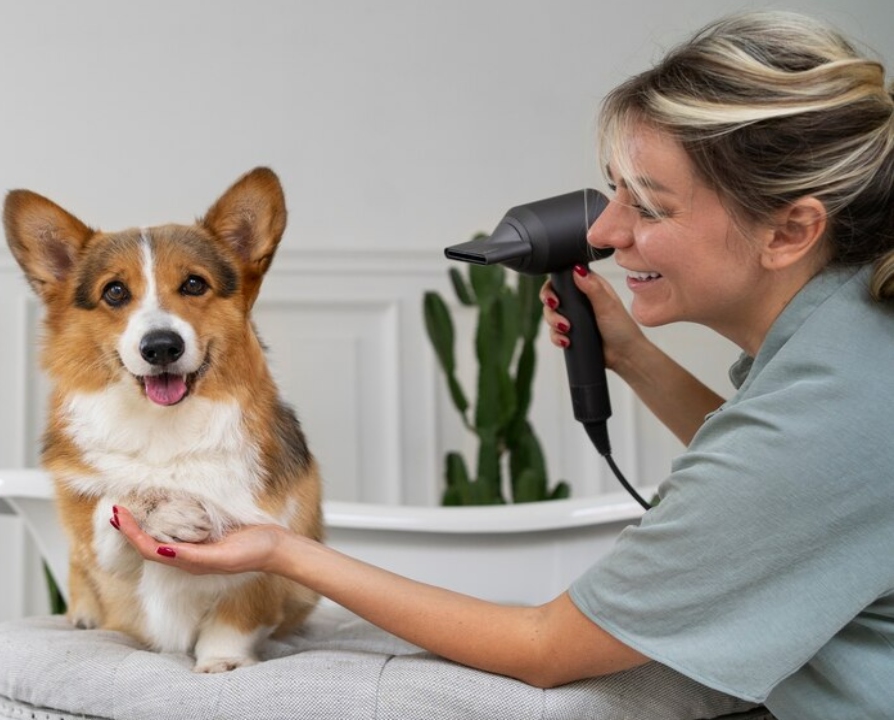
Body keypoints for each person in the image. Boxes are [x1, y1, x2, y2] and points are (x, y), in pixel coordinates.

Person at [114, 10, 894, 718]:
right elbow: (775, 480)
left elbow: (546, 648)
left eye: (649, 206)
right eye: (614, 192)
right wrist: (631, 356)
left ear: (789, 231)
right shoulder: (849, 338)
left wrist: (283, 550)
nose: (608, 229)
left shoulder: (834, 402)